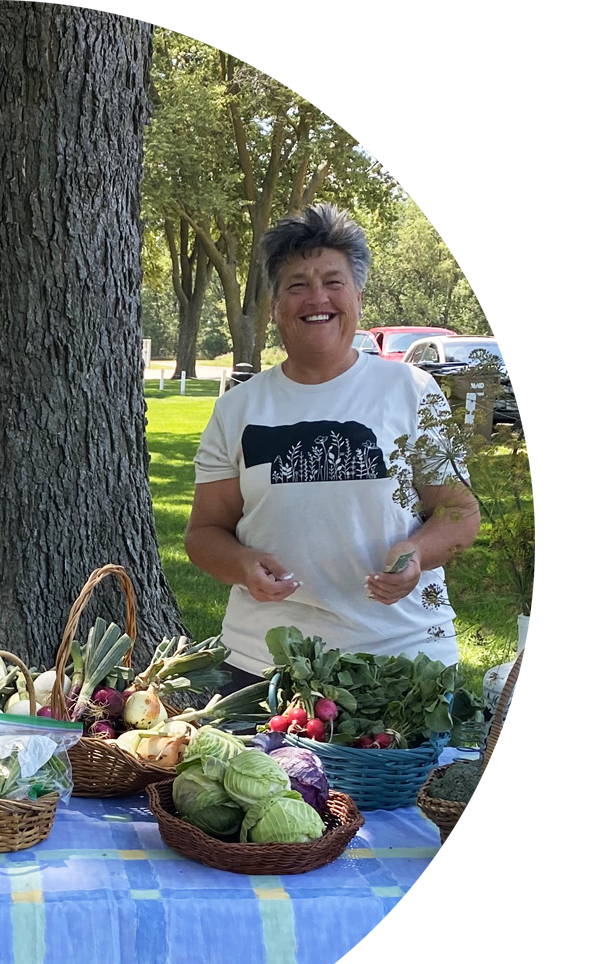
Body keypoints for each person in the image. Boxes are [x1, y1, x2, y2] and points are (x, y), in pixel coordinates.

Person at [185, 204, 480, 689]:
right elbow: (204, 533)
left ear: (358, 296)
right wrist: (240, 565)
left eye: (333, 281)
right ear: (276, 306)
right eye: (297, 284)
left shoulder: (412, 390)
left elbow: (458, 512)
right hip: (263, 664)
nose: (316, 297)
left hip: (400, 658)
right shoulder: (237, 408)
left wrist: (416, 554)